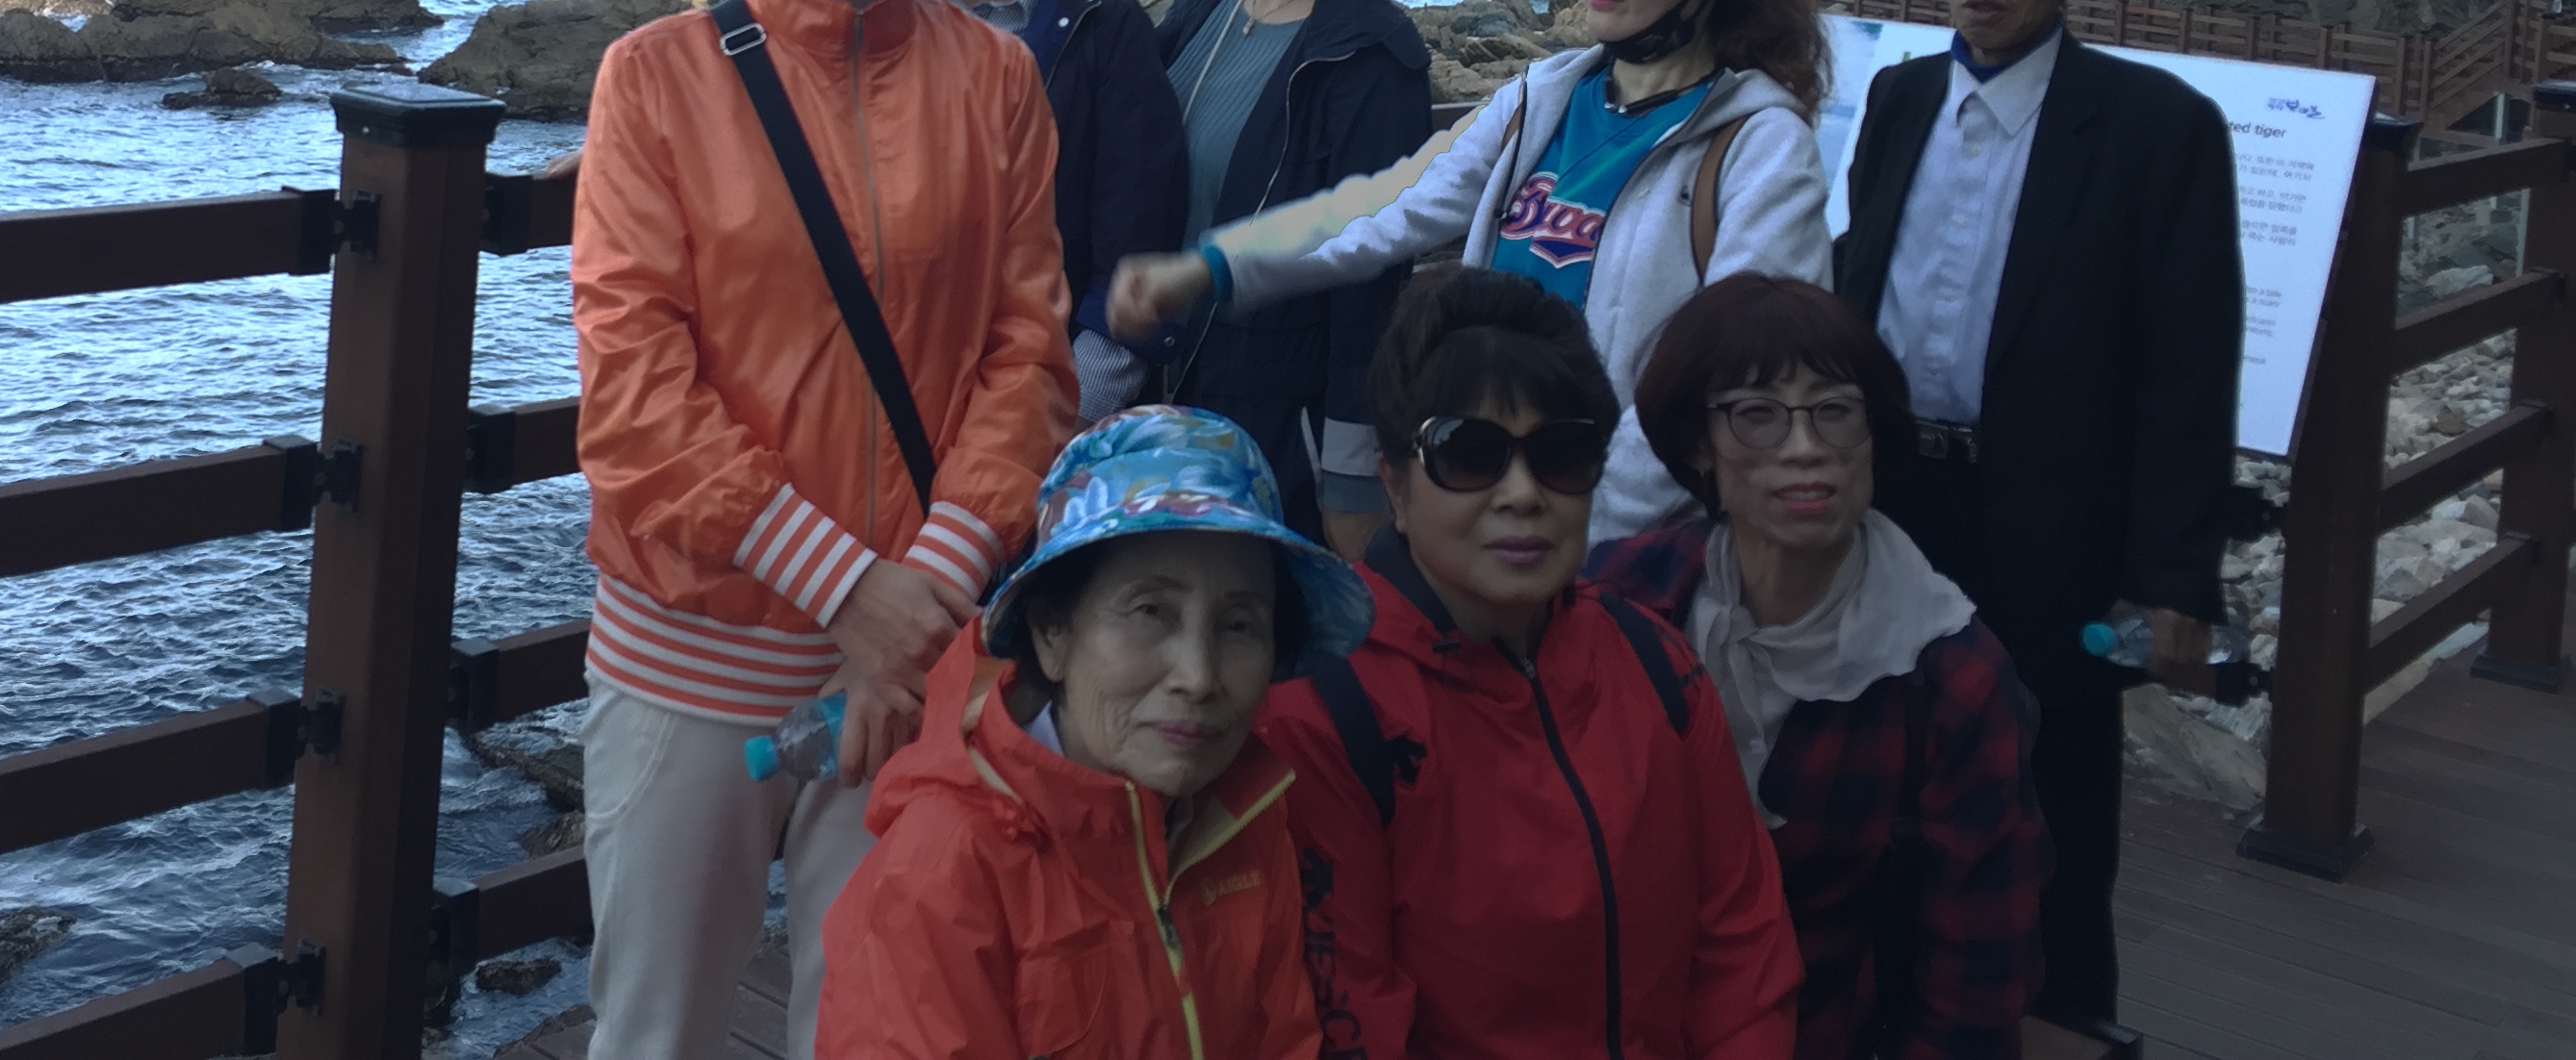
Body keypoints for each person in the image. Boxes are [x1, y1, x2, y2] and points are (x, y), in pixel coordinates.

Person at [571, 0, 1079, 1060]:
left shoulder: (998, 80)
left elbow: (1028, 355)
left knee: (880, 1028)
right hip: (698, 654)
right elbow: (634, 395)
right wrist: (861, 593)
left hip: (916, 651)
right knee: (659, 1030)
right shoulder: (652, 78)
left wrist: (918, 597)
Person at [1112, 0, 1832, 542]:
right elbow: (1392, 207)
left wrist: (1590, 535)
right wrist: (1215, 266)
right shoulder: (1542, 98)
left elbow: (1740, 379)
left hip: (1626, 549)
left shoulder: (1761, 149)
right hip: (1495, 506)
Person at [1831, 0, 2240, 1044]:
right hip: (1894, 499)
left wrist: (2171, 584)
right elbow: (1859, 288)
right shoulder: (1899, 100)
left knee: (2053, 782)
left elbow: (2189, 370)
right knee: (1882, 760)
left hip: (2057, 520)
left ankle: (2063, 1022)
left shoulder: (2157, 127)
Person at [1258, 269, 1802, 1059]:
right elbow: (1353, 1021)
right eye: (1468, 453)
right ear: (1394, 487)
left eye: (1562, 454)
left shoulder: (1655, 663)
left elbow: (1741, 950)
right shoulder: (1324, 716)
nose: (1522, 494)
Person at [817, 405, 1373, 1059]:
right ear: (1052, 634)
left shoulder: (1241, 815)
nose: (1198, 676)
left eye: (1240, 625)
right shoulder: (943, 871)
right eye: (1150, 611)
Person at [1592, 276, 2050, 1060]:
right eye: (1757, 414)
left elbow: (1979, 975)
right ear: (1698, 442)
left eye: (1835, 411)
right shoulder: (1620, 599)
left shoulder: (1951, 676)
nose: (1805, 448)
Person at [1135, 0, 1436, 555]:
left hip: (1268, 428)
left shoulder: (1370, 56)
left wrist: (1350, 475)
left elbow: (1370, 273)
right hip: (1151, 391)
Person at [920, 0, 1189, 419]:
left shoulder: (1109, 34)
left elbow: (1136, 244)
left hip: (1039, 400)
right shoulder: (863, 13)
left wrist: (1065, 418)